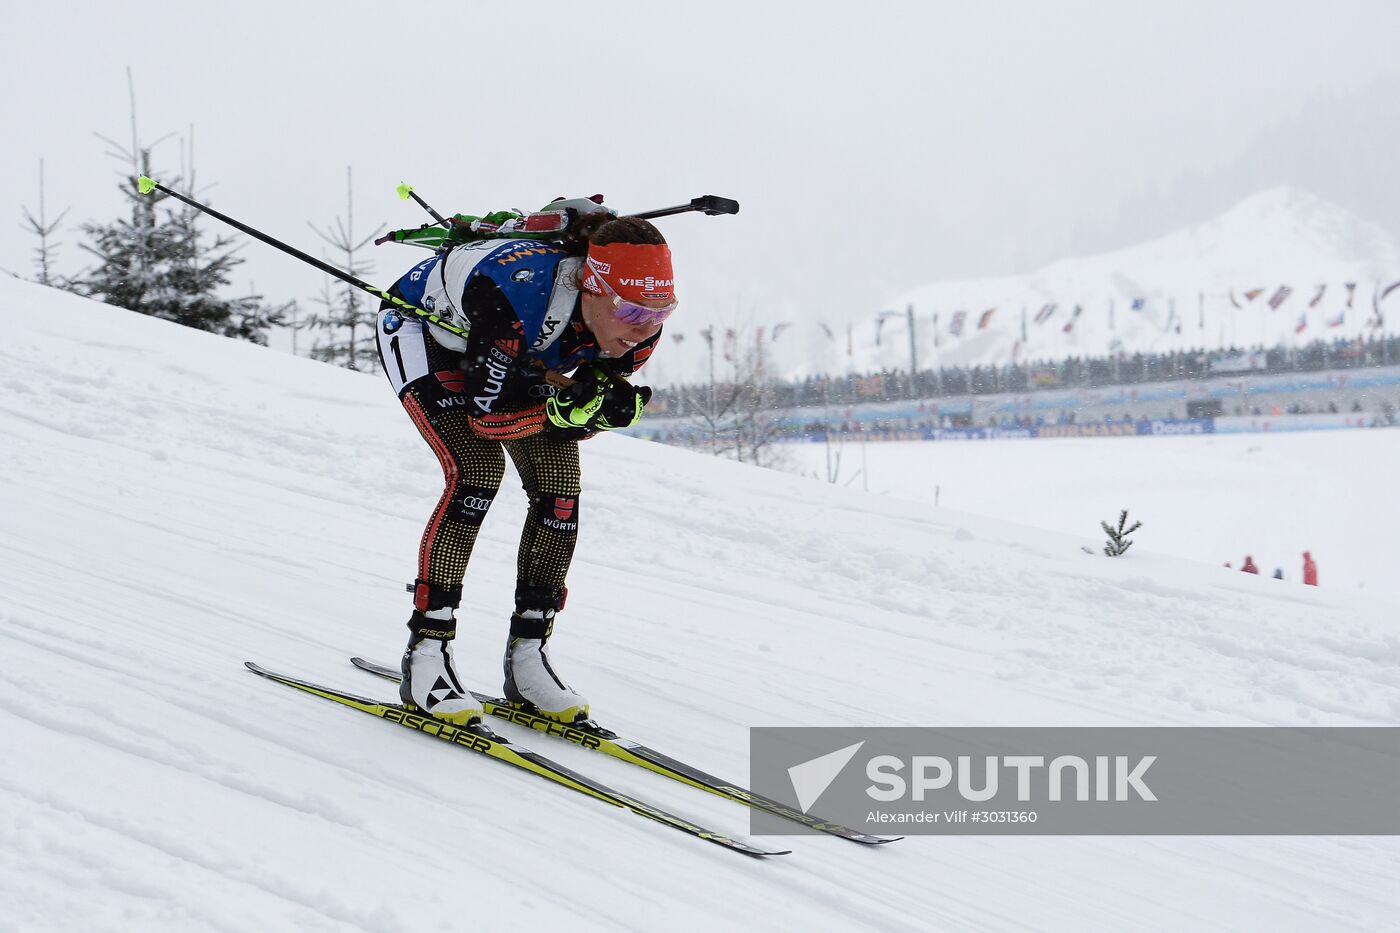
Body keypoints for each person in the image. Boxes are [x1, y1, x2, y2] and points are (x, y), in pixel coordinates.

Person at [372, 199, 675, 725]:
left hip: (518, 354)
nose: (643, 328)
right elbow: (491, 419)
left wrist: (594, 413)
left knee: (560, 489)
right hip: (430, 332)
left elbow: (564, 422)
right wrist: (570, 404)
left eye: (660, 313)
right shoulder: (520, 294)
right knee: (477, 473)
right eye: (631, 311)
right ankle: (427, 652)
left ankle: (528, 655)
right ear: (591, 287)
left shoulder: (635, 332)